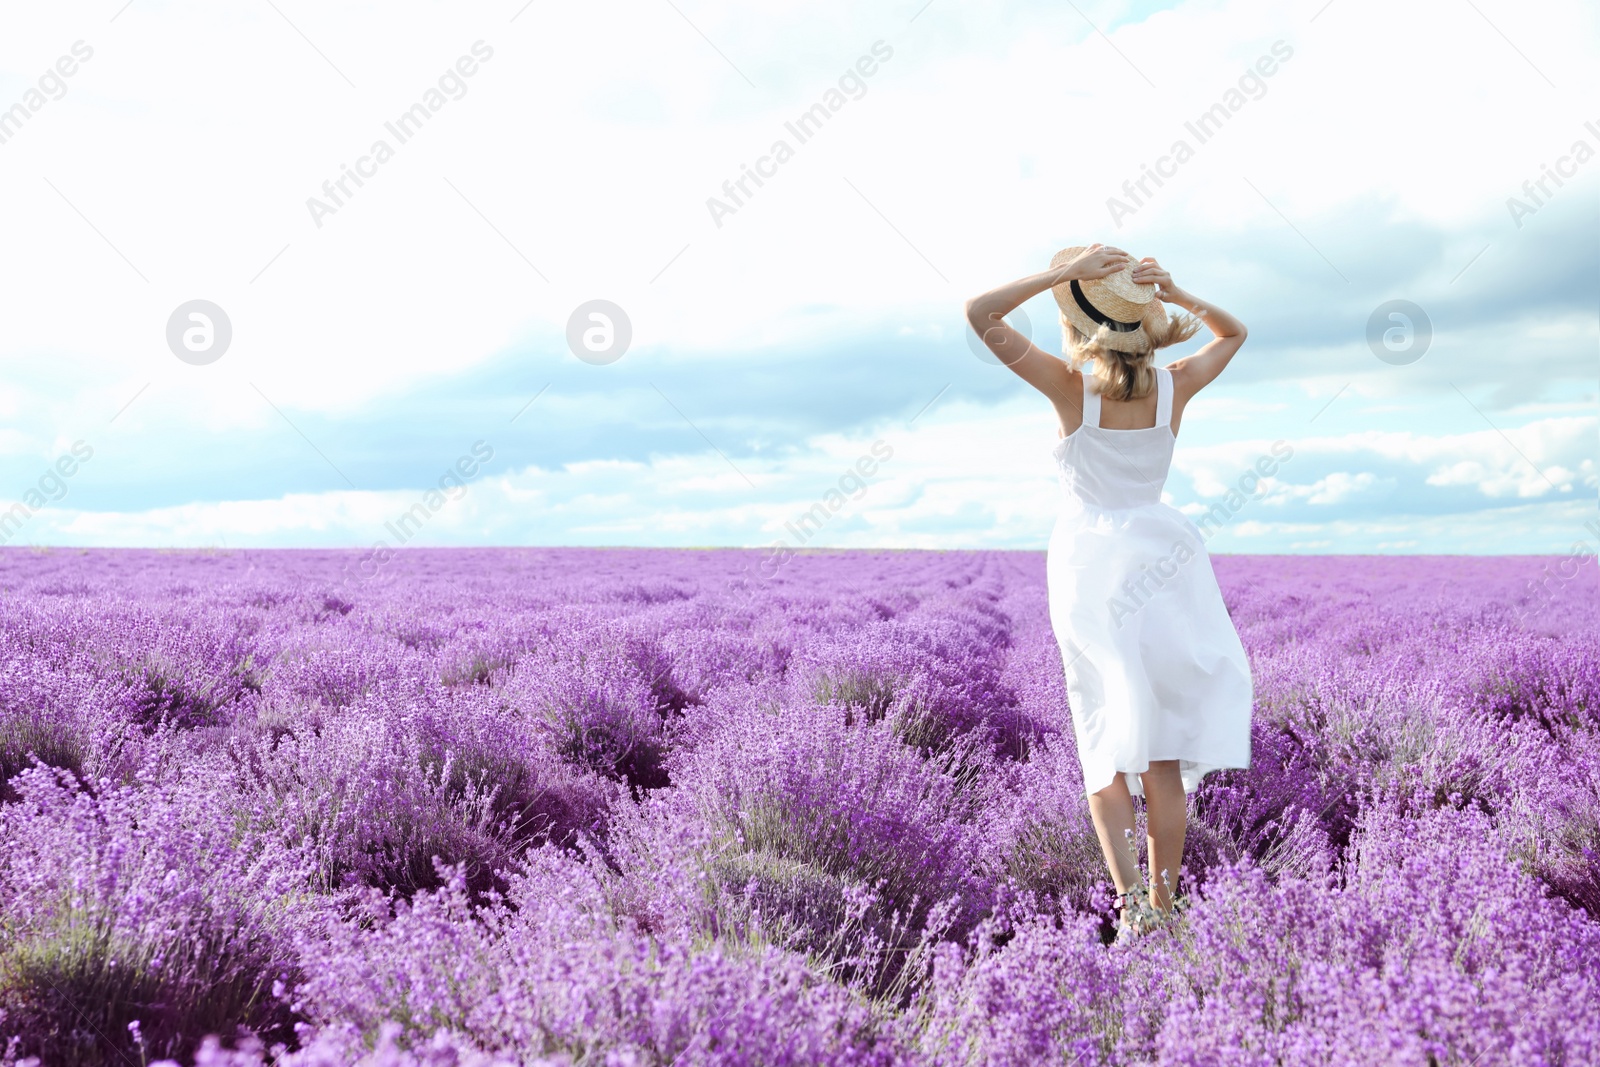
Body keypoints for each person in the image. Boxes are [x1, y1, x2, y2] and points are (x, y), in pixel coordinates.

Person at [964, 243, 1254, 939]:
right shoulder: (1174, 385)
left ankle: (1131, 911)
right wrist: (1179, 290)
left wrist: (1059, 276)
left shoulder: (1070, 386)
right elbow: (1235, 333)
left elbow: (980, 315)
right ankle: (1166, 904)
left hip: (1091, 569)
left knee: (1103, 735)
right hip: (1165, 563)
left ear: (1080, 319)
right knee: (1159, 749)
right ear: (1144, 321)